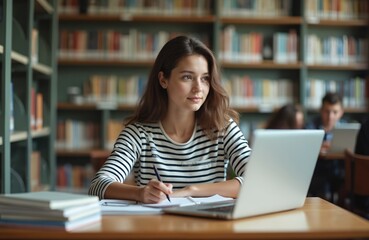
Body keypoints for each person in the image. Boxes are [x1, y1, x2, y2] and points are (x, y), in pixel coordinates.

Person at [88, 36, 251, 204]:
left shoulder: (222, 127)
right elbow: (98, 185)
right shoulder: (139, 134)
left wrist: (190, 190)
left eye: (205, 78)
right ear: (163, 80)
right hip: (157, 227)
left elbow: (257, 179)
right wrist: (140, 193)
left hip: (209, 227)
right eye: (187, 77)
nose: (198, 88)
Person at [305, 92, 345, 202]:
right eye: (327, 111)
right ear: (321, 110)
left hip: (339, 169)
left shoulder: (346, 128)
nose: (330, 116)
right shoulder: (310, 126)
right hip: (318, 170)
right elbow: (306, 147)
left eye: (335, 112)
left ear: (341, 113)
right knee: (323, 180)